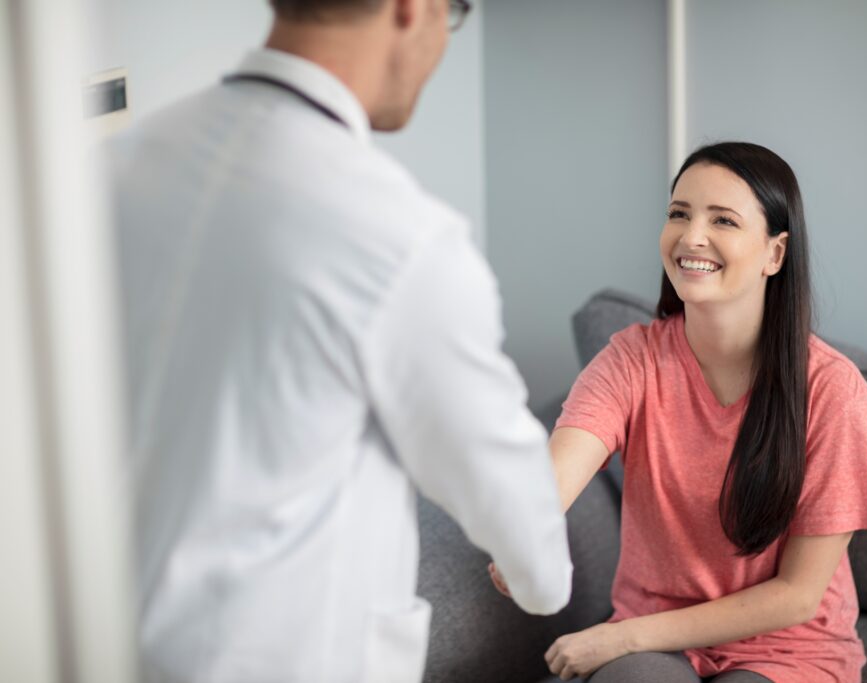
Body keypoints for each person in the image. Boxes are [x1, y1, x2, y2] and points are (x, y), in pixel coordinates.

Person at [109, 1, 572, 681]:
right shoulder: (403, 241)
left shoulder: (116, 164)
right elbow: (522, 522)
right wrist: (544, 578)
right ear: (415, 10)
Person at [490, 142, 867, 682]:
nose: (691, 235)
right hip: (657, 643)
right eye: (679, 213)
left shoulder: (834, 391)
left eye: (723, 220)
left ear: (776, 253)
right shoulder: (631, 360)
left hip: (788, 647)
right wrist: (521, 537)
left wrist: (619, 635)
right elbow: (557, 473)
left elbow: (797, 597)